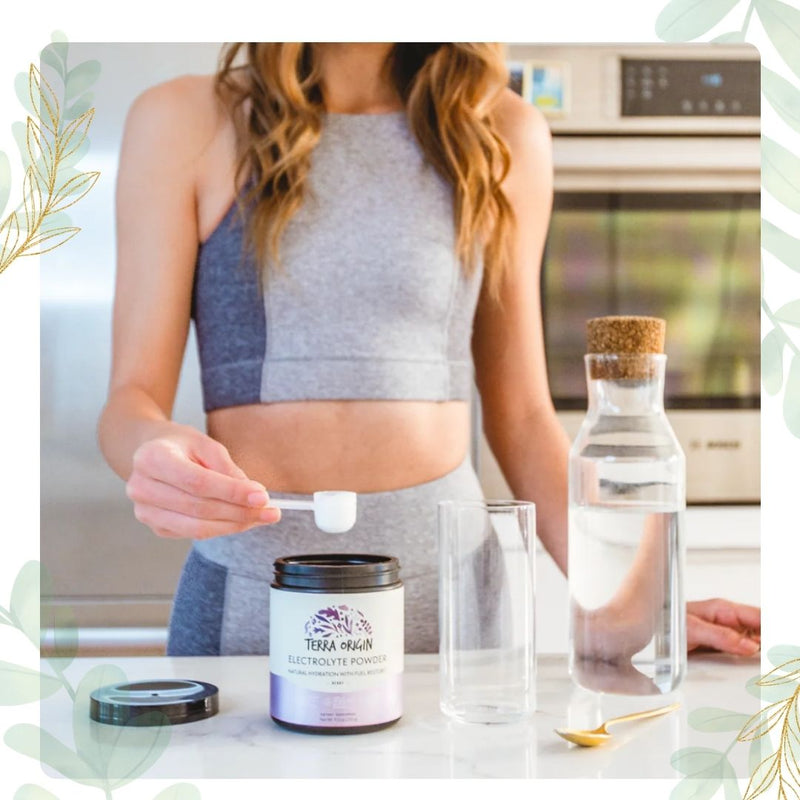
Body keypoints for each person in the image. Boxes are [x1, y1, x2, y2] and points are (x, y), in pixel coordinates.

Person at [98, 42, 761, 658]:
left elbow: (523, 415)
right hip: (249, 600)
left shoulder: (500, 132)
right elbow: (131, 401)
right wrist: (149, 451)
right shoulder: (184, 120)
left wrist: (635, 604)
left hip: (450, 603)